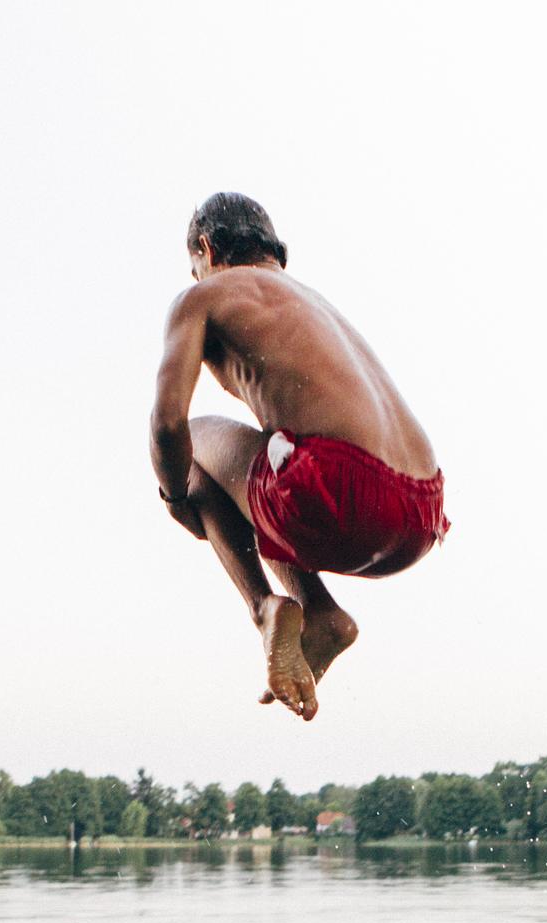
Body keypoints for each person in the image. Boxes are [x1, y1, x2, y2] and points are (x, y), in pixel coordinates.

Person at [149, 192, 449, 722]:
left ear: (204, 248)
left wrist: (176, 498)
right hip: (423, 509)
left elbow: (168, 425)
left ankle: (265, 607)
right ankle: (323, 614)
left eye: (195, 266)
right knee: (277, 461)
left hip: (343, 490)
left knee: (191, 450)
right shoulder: (313, 301)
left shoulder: (205, 297)